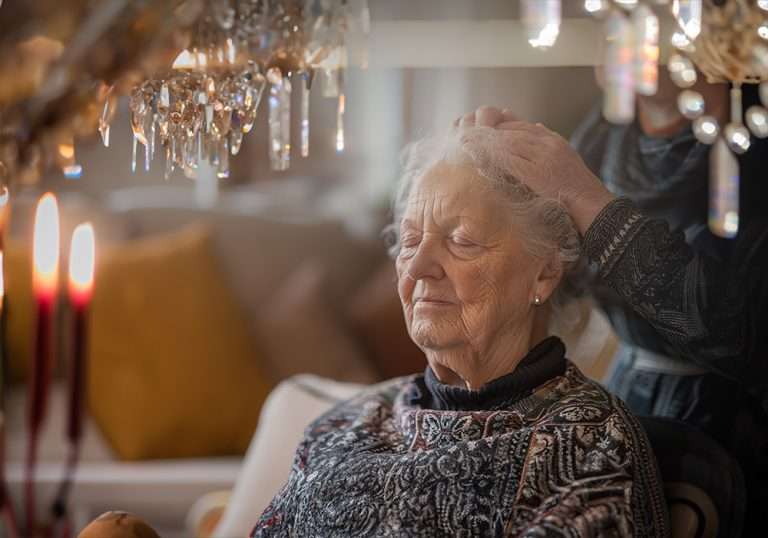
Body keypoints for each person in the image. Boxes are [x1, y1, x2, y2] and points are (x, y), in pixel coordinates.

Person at [251, 126, 669, 537]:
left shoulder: (588, 446)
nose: (417, 267)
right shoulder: (344, 423)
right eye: (410, 241)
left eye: (461, 241)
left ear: (543, 273)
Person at [459, 91, 768, 532]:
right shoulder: (607, 130)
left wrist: (582, 196)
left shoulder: (756, 133)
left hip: (740, 427)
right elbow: (564, 276)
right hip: (630, 398)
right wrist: (512, 196)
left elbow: (736, 327)